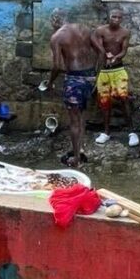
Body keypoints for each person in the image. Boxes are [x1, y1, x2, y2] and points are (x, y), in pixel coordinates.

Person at [48, 9, 100, 167]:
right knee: (82, 117)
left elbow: (57, 66)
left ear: (56, 20)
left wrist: (50, 82)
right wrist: (96, 73)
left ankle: (76, 159)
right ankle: (80, 149)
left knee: (74, 121)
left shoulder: (57, 37)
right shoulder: (85, 30)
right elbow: (101, 51)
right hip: (90, 77)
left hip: (74, 79)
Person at [92, 7, 138, 147]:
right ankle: (106, 132)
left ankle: (132, 132)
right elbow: (97, 46)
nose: (116, 20)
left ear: (121, 19)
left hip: (118, 70)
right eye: (113, 17)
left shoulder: (125, 32)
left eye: (119, 17)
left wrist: (115, 57)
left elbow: (124, 51)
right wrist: (106, 54)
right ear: (109, 17)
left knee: (124, 99)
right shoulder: (100, 31)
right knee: (105, 102)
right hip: (104, 72)